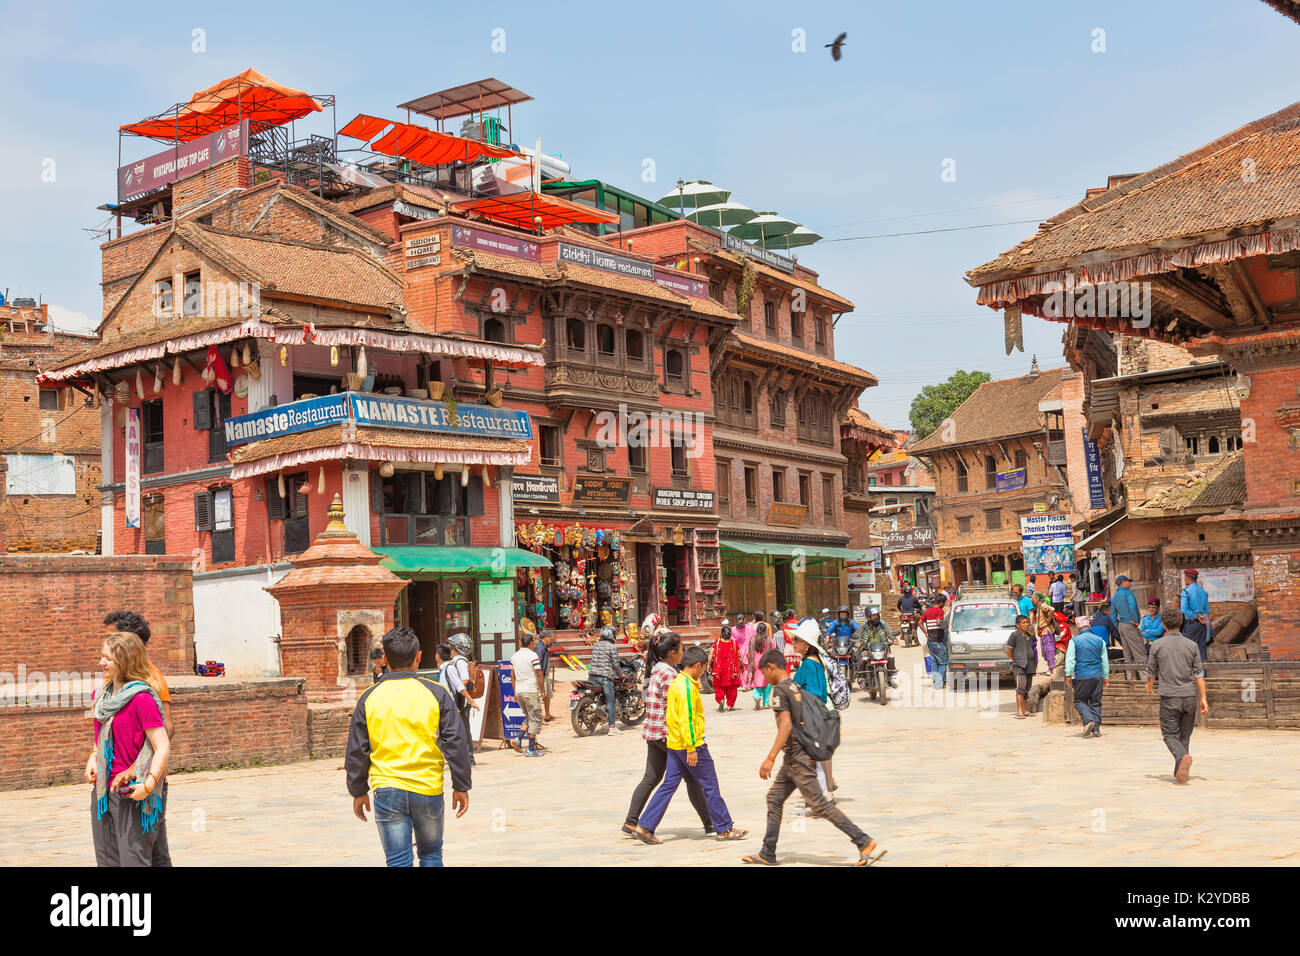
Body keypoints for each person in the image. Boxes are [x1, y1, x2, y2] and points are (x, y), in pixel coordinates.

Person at [742, 648, 884, 867]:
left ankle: (863, 840)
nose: (764, 678)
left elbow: (786, 725)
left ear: (771, 667)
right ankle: (767, 852)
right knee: (774, 799)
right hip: (795, 757)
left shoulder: (780, 690)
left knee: (818, 804)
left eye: (764, 672)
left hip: (798, 757)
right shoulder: (794, 686)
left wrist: (769, 757)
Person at [346, 626, 471, 866]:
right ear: (418, 656)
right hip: (428, 788)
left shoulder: (369, 697)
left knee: (397, 860)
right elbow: (456, 742)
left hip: (387, 789)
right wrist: (461, 785)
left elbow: (358, 749)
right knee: (432, 854)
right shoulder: (436, 693)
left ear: (384, 658)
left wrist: (358, 790)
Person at [632, 645, 747, 844]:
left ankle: (645, 826)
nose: (705, 672)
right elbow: (687, 719)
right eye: (704, 668)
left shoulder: (678, 682)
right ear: (697, 665)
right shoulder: (685, 688)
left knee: (668, 785)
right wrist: (692, 748)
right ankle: (724, 828)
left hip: (675, 744)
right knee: (710, 786)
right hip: (690, 745)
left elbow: (672, 716)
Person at [88, 631, 171, 867]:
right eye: (102, 656)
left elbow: (162, 746)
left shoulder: (141, 699)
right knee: (108, 862)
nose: (101, 662)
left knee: (134, 861)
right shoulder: (101, 696)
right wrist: (93, 758)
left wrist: (149, 784)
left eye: (108, 658)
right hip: (104, 790)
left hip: (134, 791)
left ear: (124, 660)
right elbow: (102, 739)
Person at [623, 632, 714, 838]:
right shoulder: (671, 676)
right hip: (667, 733)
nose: (683, 654)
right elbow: (679, 710)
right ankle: (710, 823)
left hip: (652, 732)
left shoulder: (656, 671)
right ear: (672, 653)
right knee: (691, 778)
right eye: (681, 650)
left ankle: (631, 821)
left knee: (651, 778)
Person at [1146, 607, 1209, 784]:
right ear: (1181, 623)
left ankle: (1182, 757)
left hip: (1169, 697)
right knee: (1184, 736)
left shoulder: (1157, 645)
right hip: (1190, 696)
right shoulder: (1192, 645)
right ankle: (1180, 772)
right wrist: (1203, 697)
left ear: (1163, 624)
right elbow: (1199, 673)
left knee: (1169, 735)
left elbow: (1151, 671)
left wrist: (1149, 686)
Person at [440, 633, 480, 765]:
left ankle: (469, 757)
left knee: (463, 728)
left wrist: (455, 686)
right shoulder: (454, 661)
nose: (449, 648)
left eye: (450, 646)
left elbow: (464, 680)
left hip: (461, 700)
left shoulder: (460, 661)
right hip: (458, 699)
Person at [1066, 619, 1110, 737]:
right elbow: (1104, 660)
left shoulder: (1074, 641)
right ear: (1089, 626)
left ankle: (1088, 720)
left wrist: (1068, 674)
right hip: (1097, 676)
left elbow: (1070, 660)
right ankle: (1096, 729)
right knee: (1096, 702)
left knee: (1079, 700)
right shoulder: (1100, 641)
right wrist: (1105, 676)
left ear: (1078, 628)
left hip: (1081, 675)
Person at [509, 633, 545, 757]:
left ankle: (518, 739)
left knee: (529, 716)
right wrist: (543, 691)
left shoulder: (514, 656)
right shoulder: (532, 655)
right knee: (535, 718)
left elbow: (512, 675)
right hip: (530, 690)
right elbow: (539, 673)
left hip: (519, 691)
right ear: (530, 643)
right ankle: (531, 748)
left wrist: (514, 691)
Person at [1004, 615, 1037, 719]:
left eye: (1027, 622)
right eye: (1024, 623)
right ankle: (1019, 712)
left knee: (1027, 689)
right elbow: (1008, 650)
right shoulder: (1014, 636)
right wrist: (1015, 660)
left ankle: (1024, 710)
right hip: (1020, 666)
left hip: (1030, 665)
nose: (1027, 624)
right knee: (1020, 689)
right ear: (1018, 625)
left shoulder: (1029, 635)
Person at [1111, 575, 1145, 675]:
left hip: (1121, 625)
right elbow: (1133, 606)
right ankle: (1145, 681)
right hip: (1130, 624)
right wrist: (1136, 621)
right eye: (1128, 582)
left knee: (1127, 654)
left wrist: (1119, 625)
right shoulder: (1128, 593)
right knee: (1140, 653)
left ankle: (1130, 679)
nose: (1129, 584)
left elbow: (1112, 617)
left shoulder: (1115, 597)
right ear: (1123, 583)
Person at [1179, 569, 1211, 661]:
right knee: (1201, 650)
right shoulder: (1203, 592)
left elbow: (1183, 609)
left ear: (1188, 578)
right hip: (1202, 625)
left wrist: (1195, 615)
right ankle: (1203, 674)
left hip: (1191, 625)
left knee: (1187, 650)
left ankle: (1188, 674)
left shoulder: (1186, 592)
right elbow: (1206, 610)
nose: (1184, 579)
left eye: (1185, 577)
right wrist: (1200, 615)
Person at [749, 617, 777, 709]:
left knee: (758, 682)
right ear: (765, 630)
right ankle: (766, 703)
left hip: (756, 662)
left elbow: (750, 652)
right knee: (767, 682)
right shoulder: (769, 640)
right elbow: (773, 652)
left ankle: (757, 697)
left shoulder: (753, 639)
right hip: (767, 662)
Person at [919, 596, 947, 688]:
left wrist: (926, 633)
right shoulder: (940, 611)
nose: (944, 604)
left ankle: (935, 682)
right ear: (941, 602)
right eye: (944, 603)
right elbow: (939, 622)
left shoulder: (928, 611)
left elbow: (919, 622)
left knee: (934, 662)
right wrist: (946, 624)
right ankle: (938, 683)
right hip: (937, 640)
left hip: (930, 640)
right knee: (943, 663)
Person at [536, 630, 556, 722]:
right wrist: (540, 676)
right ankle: (538, 718)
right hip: (541, 676)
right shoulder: (540, 648)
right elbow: (538, 663)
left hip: (545, 676)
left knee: (547, 696)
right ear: (545, 638)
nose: (550, 639)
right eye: (549, 637)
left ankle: (547, 714)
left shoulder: (544, 647)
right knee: (541, 697)